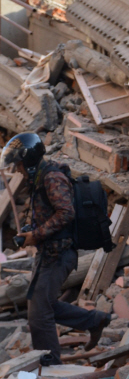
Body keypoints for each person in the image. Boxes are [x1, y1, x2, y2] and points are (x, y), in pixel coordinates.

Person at [0, 133, 111, 364]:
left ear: (28, 160)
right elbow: (52, 213)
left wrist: (35, 235)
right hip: (49, 253)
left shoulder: (52, 177)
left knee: (39, 314)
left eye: (19, 165)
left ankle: (50, 366)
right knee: (41, 305)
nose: (18, 170)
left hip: (59, 255)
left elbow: (66, 213)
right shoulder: (42, 177)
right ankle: (94, 320)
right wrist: (33, 230)